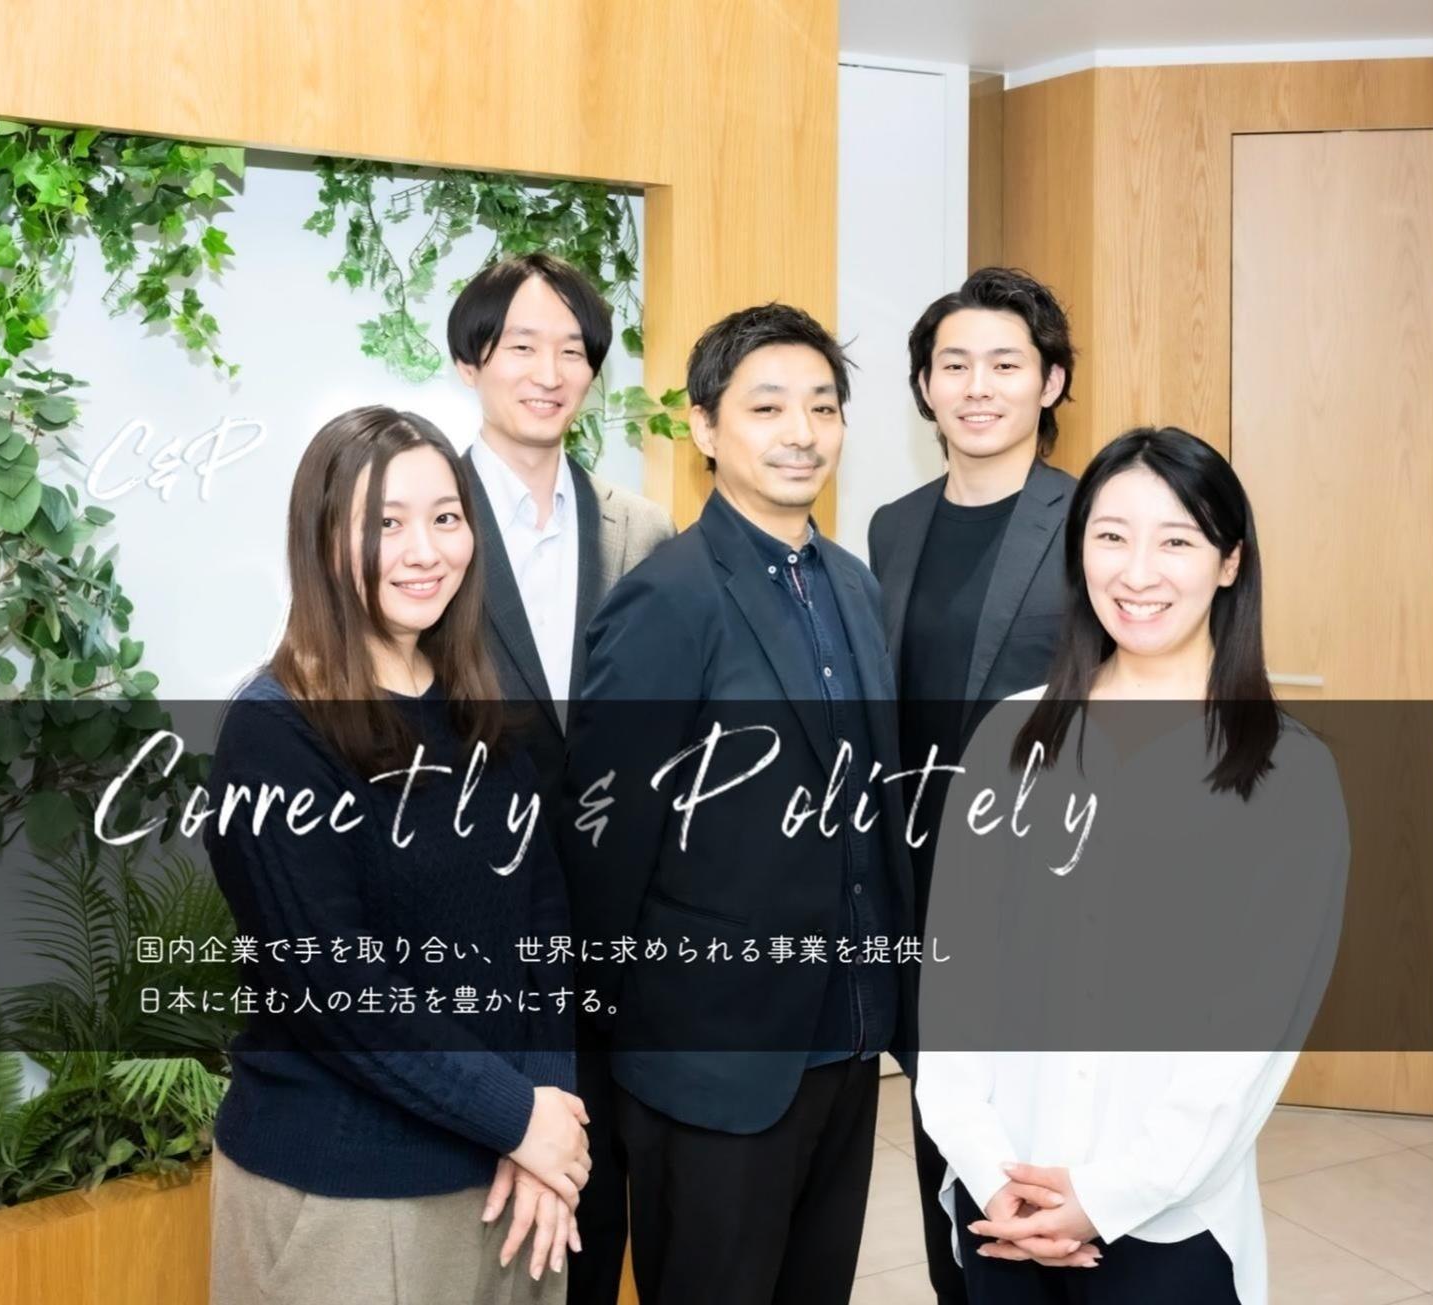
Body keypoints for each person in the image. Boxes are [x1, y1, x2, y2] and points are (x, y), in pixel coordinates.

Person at [914, 427, 1351, 1305]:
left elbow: (1252, 1036)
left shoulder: (1288, 774)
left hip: (1170, 1226)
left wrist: (1108, 1197)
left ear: (1230, 562)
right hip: (1002, 1207)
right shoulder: (1010, 736)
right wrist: (988, 1171)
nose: (1138, 572)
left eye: (1176, 540)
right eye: (1111, 535)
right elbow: (956, 988)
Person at [563, 304, 917, 1305]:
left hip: (847, 1039)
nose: (802, 431)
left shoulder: (854, 587)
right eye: (767, 407)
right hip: (711, 1063)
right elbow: (604, 842)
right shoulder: (668, 597)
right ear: (706, 427)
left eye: (822, 406)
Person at [204, 406, 588, 1304]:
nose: (424, 550)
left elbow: (543, 922)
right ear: (321, 541)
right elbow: (340, 991)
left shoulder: (477, 707)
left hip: (513, 1180)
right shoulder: (276, 733)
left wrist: (548, 1115)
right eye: (385, 522)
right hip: (349, 1198)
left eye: (445, 517)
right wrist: (520, 1116)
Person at [447, 253, 675, 1305]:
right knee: (488, 1227)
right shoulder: (422, 520)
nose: (549, 372)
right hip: (477, 935)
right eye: (521, 347)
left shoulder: (640, 528)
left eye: (573, 351)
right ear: (470, 361)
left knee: (600, 1207)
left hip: (617, 940)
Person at [866, 267, 1078, 1305]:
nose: (977, 386)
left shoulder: (1092, 521)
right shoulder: (892, 526)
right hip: (922, 895)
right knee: (945, 1143)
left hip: (1051, 892)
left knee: (1048, 1149)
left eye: (1005, 363)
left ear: (1050, 382)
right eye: (954, 365)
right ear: (924, 386)